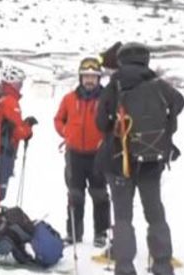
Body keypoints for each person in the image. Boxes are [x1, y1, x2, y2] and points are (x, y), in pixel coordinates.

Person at [96, 42, 184, 275]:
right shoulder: (159, 85)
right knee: (155, 213)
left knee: (123, 216)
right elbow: (180, 103)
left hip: (119, 161)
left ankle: (125, 268)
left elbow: (100, 122)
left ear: (122, 60)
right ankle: (163, 265)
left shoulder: (114, 85)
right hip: (152, 161)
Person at [54, 57, 110, 247]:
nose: (89, 80)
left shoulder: (107, 99)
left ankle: (101, 233)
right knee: (75, 194)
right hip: (74, 154)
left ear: (99, 78)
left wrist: (108, 139)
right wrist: (66, 133)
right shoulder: (69, 98)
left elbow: (116, 122)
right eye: (86, 76)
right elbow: (58, 119)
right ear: (80, 77)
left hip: (98, 155)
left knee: (100, 194)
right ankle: (74, 232)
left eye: (93, 77)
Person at [0, 65, 37, 218]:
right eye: (20, 82)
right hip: (2, 151)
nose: (21, 86)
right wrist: (28, 126)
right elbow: (18, 131)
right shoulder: (10, 101)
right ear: (12, 82)